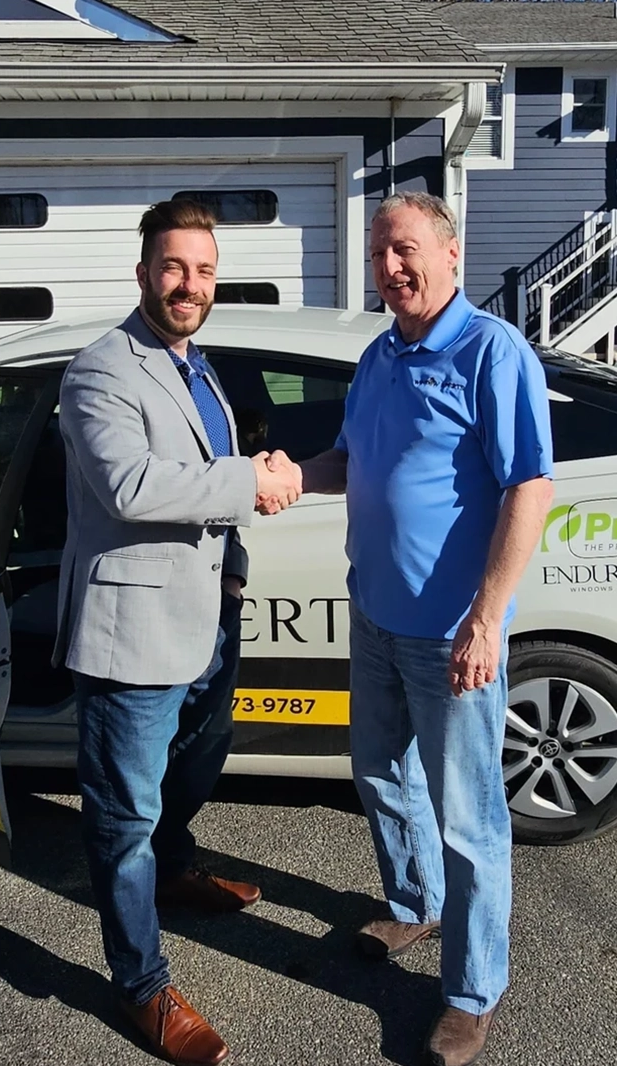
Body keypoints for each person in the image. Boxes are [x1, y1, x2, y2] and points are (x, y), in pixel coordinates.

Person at [291, 191, 554, 1066]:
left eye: (404, 250)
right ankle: (416, 906)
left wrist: (487, 620)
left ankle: (472, 993)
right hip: (375, 614)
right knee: (380, 774)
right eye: (378, 255)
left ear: (450, 253)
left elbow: (529, 487)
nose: (390, 268)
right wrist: (284, 476)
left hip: (452, 634)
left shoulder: (491, 351)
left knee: (471, 818)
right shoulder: (378, 356)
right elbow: (349, 461)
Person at [53, 199, 301, 1066]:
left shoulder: (199, 369)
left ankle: (177, 867)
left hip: (206, 622)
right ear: (143, 273)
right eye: (172, 267)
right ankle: (141, 985)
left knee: (197, 761)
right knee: (121, 818)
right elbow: (132, 485)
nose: (188, 284)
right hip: (131, 634)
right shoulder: (100, 371)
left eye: (202, 270)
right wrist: (247, 487)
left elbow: (206, 471)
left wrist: (234, 572)